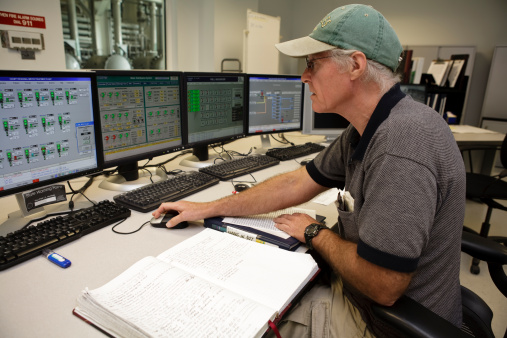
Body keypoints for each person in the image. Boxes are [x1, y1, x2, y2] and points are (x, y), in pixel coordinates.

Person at [153, 4, 466, 337]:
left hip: (380, 326)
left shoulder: (400, 145)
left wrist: (316, 234)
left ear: (356, 66)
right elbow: (296, 182)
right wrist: (207, 208)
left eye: (313, 63)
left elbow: (383, 284)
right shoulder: (369, 128)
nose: (303, 76)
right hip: (368, 304)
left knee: (243, 314)